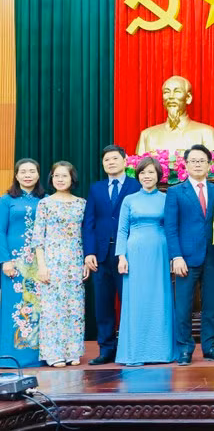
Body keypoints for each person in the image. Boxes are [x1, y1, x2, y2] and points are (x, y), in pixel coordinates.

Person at [165, 144, 214, 366]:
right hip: (186, 259)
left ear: (210, 165)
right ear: (186, 165)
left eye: (202, 161)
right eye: (193, 161)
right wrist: (176, 256)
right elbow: (171, 228)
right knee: (183, 307)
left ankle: (210, 346)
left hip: (212, 258)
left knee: (211, 305)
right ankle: (185, 349)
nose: (198, 164)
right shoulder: (175, 192)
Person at [82, 144, 141, 365]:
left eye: (115, 158)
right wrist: (89, 252)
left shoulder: (136, 186)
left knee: (131, 302)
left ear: (125, 161)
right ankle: (106, 348)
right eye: (107, 160)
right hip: (102, 255)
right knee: (103, 304)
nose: (111, 163)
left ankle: (131, 346)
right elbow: (89, 223)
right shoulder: (96, 188)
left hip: (128, 254)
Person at [115, 157, 176, 366]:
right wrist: (121, 256)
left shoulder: (166, 198)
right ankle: (135, 353)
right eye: (143, 173)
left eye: (151, 172)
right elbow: (122, 230)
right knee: (136, 300)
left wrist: (172, 257)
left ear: (158, 175)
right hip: (135, 253)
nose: (147, 176)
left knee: (159, 298)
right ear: (137, 175)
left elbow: (171, 228)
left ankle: (160, 352)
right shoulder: (129, 200)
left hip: (160, 250)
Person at [32, 162, 88, 367]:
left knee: (74, 307)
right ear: (51, 178)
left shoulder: (81, 203)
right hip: (52, 260)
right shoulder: (45, 204)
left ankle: (73, 351)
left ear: (72, 179)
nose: (60, 179)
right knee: (52, 309)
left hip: (75, 259)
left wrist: (85, 262)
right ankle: (53, 353)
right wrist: (42, 266)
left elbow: (86, 235)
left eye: (64, 176)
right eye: (56, 176)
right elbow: (38, 238)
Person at [0, 159, 47, 368]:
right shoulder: (6, 200)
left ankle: (38, 354)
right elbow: (0, 231)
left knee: (38, 306)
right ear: (16, 176)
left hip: (40, 263)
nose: (27, 175)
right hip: (15, 263)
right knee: (15, 305)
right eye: (23, 172)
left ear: (38, 175)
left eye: (32, 171)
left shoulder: (46, 200)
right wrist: (5, 260)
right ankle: (12, 355)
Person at [135, 75, 214, 154]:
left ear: (188, 98)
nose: (171, 96)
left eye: (177, 92)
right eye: (166, 92)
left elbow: (213, 167)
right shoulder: (147, 135)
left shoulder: (206, 133)